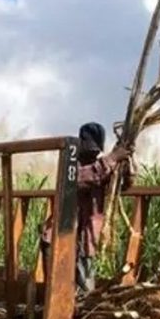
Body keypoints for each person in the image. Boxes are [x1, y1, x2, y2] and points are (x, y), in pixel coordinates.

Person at [41, 121, 115, 292]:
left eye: (95, 152)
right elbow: (79, 179)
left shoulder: (104, 169)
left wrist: (126, 158)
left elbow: (125, 181)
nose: (92, 154)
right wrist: (112, 159)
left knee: (84, 290)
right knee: (58, 291)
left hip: (87, 243)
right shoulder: (72, 165)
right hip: (60, 240)